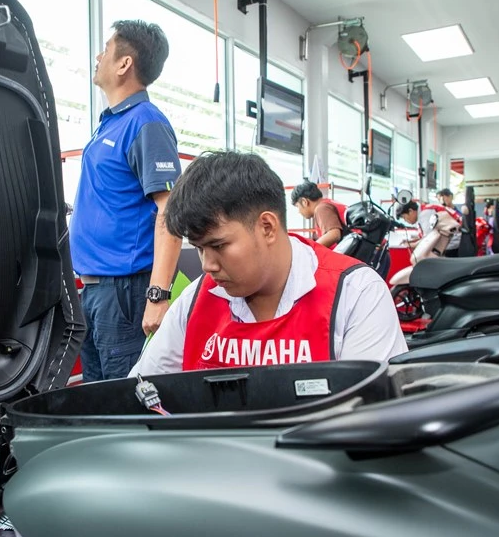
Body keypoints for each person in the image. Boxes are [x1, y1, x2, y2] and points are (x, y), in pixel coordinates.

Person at [130, 151, 407, 376]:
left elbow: (369, 412)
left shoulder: (356, 294)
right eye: (200, 249)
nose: (207, 266)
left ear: (267, 227)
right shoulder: (195, 301)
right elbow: (141, 390)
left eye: (218, 246)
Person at [70, 20, 182, 381]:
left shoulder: (146, 123)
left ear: (124, 64)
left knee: (123, 398)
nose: (98, 56)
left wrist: (158, 295)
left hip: (124, 293)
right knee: (97, 397)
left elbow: (171, 210)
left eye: (106, 49)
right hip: (94, 290)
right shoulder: (110, 123)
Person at [290, 181, 348, 248]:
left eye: (298, 206)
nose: (299, 212)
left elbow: (334, 235)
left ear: (304, 202)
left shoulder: (321, 208)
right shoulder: (328, 202)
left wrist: (310, 250)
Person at [432, 188, 463, 257]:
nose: (441, 201)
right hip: (443, 245)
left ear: (450, 197)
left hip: (456, 244)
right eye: (439, 199)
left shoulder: (457, 213)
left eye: (443, 198)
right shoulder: (438, 213)